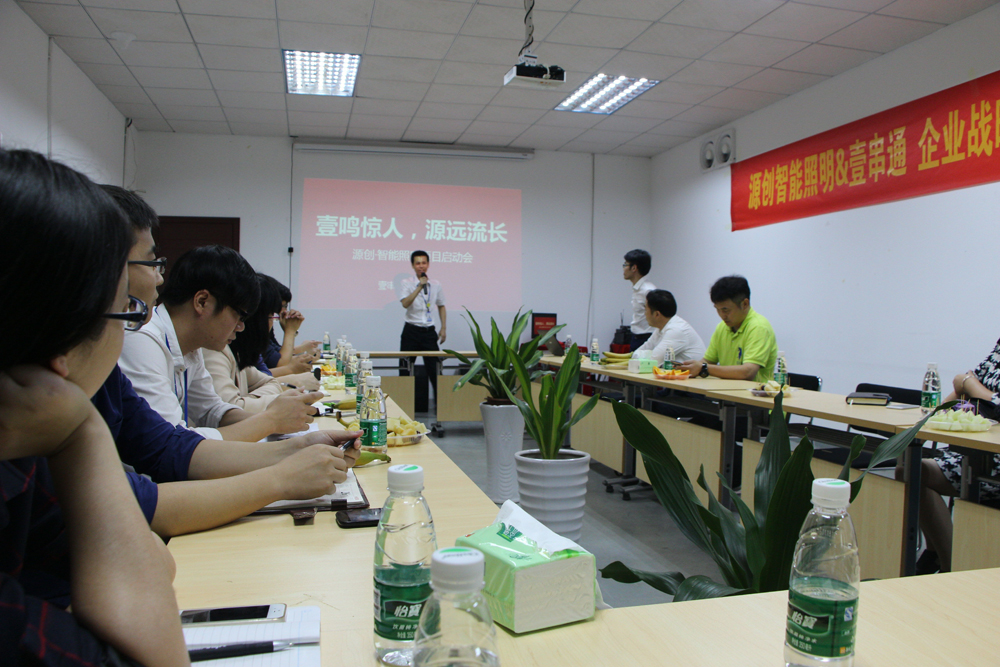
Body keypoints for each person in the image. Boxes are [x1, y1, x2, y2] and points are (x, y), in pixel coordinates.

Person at [0, 148, 188, 666]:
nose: (158, 281)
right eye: (124, 308)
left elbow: (155, 562)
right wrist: (82, 433)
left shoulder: (22, 455)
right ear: (59, 352)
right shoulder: (59, 429)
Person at [102, 187, 358, 537]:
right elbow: (148, 487)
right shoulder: (138, 340)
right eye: (152, 263)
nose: (160, 277)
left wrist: (295, 448)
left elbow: (170, 446)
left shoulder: (171, 351)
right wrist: (280, 471)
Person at [119, 245, 321, 442]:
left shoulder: (191, 345)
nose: (241, 327)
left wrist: (277, 421)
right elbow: (171, 444)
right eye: (239, 315)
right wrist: (270, 421)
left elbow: (211, 410)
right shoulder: (143, 340)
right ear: (202, 301)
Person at [903, 339, 1000, 574]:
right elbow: (963, 387)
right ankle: (941, 554)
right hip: (974, 449)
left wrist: (969, 384)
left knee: (917, 471)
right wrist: (935, 414)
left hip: (994, 459)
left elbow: (971, 385)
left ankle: (947, 564)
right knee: (909, 469)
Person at [204, 274, 318, 412]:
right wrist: (290, 331)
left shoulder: (239, 352)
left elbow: (270, 381)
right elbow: (230, 410)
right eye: (271, 316)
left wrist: (249, 399)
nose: (240, 325)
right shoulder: (214, 350)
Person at [679, 275, 778, 383]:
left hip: (754, 392)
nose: (722, 315)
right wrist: (690, 367)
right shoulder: (722, 327)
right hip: (725, 390)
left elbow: (748, 372)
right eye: (717, 309)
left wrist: (703, 368)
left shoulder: (758, 327)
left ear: (745, 304)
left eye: (725, 310)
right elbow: (708, 361)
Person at [398, 250, 446, 400]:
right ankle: (403, 404)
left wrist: (443, 328)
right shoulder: (406, 283)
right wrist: (419, 286)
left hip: (429, 332)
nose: (421, 266)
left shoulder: (436, 284)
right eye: (418, 263)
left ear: (428, 264)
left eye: (424, 263)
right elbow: (405, 303)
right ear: (413, 265)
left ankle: (441, 407)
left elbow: (441, 305)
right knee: (405, 370)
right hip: (411, 330)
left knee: (435, 371)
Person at [260, 276, 320, 376]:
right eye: (281, 306)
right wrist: (290, 331)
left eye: (285, 306)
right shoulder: (258, 326)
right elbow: (281, 363)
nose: (283, 312)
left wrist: (301, 350)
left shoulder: (267, 323)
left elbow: (277, 353)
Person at [633, 290, 706, 364]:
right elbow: (639, 352)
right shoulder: (661, 327)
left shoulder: (677, 330)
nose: (645, 314)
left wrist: (644, 355)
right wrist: (643, 355)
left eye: (646, 310)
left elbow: (653, 361)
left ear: (657, 314)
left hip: (692, 371)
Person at [623, 249, 656, 351]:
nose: (623, 269)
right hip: (636, 337)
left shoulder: (648, 290)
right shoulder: (637, 288)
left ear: (634, 268)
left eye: (625, 265)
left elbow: (657, 318)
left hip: (646, 338)